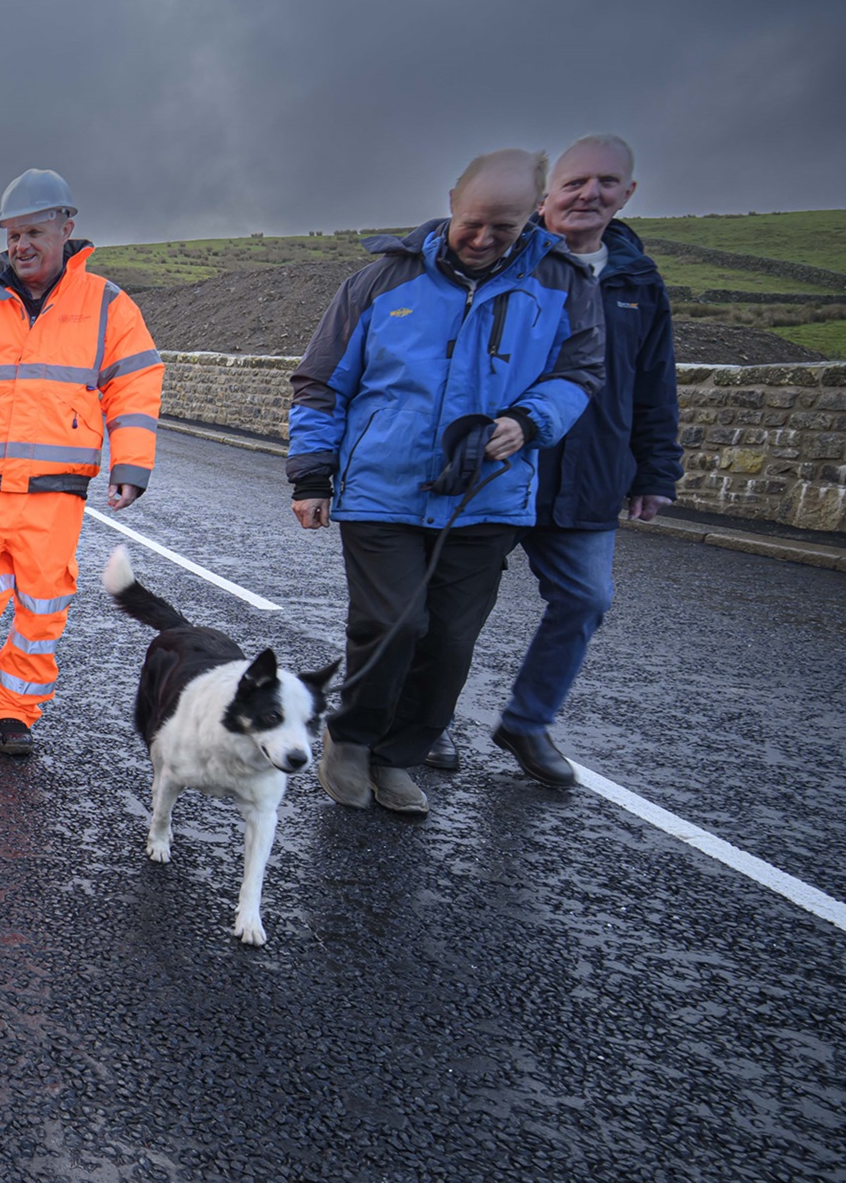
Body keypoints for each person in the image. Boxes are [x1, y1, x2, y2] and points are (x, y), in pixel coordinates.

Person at [288, 149, 604, 817]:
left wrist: (530, 420)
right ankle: (349, 738)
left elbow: (580, 374)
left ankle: (400, 754)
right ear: (453, 201)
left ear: (534, 216)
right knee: (394, 621)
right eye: (474, 222)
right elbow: (320, 383)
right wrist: (313, 473)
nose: (485, 239)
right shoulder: (381, 280)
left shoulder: (563, 284)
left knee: (451, 639)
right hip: (383, 486)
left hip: (486, 495)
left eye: (506, 228)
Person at [0, 169, 162, 757]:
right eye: (12, 234)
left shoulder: (107, 306)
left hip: (55, 493)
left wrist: (131, 465)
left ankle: (15, 710)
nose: (20, 245)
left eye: (33, 231)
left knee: (42, 608)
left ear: (66, 229)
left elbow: (136, 385)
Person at [450, 135, 678, 785]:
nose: (590, 194)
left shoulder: (638, 281)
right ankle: (428, 718)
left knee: (586, 596)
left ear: (628, 193)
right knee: (455, 601)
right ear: (546, 196)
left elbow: (654, 382)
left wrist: (656, 471)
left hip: (590, 474)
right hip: (494, 466)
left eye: (607, 182)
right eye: (576, 182)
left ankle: (527, 721)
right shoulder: (501, 259)